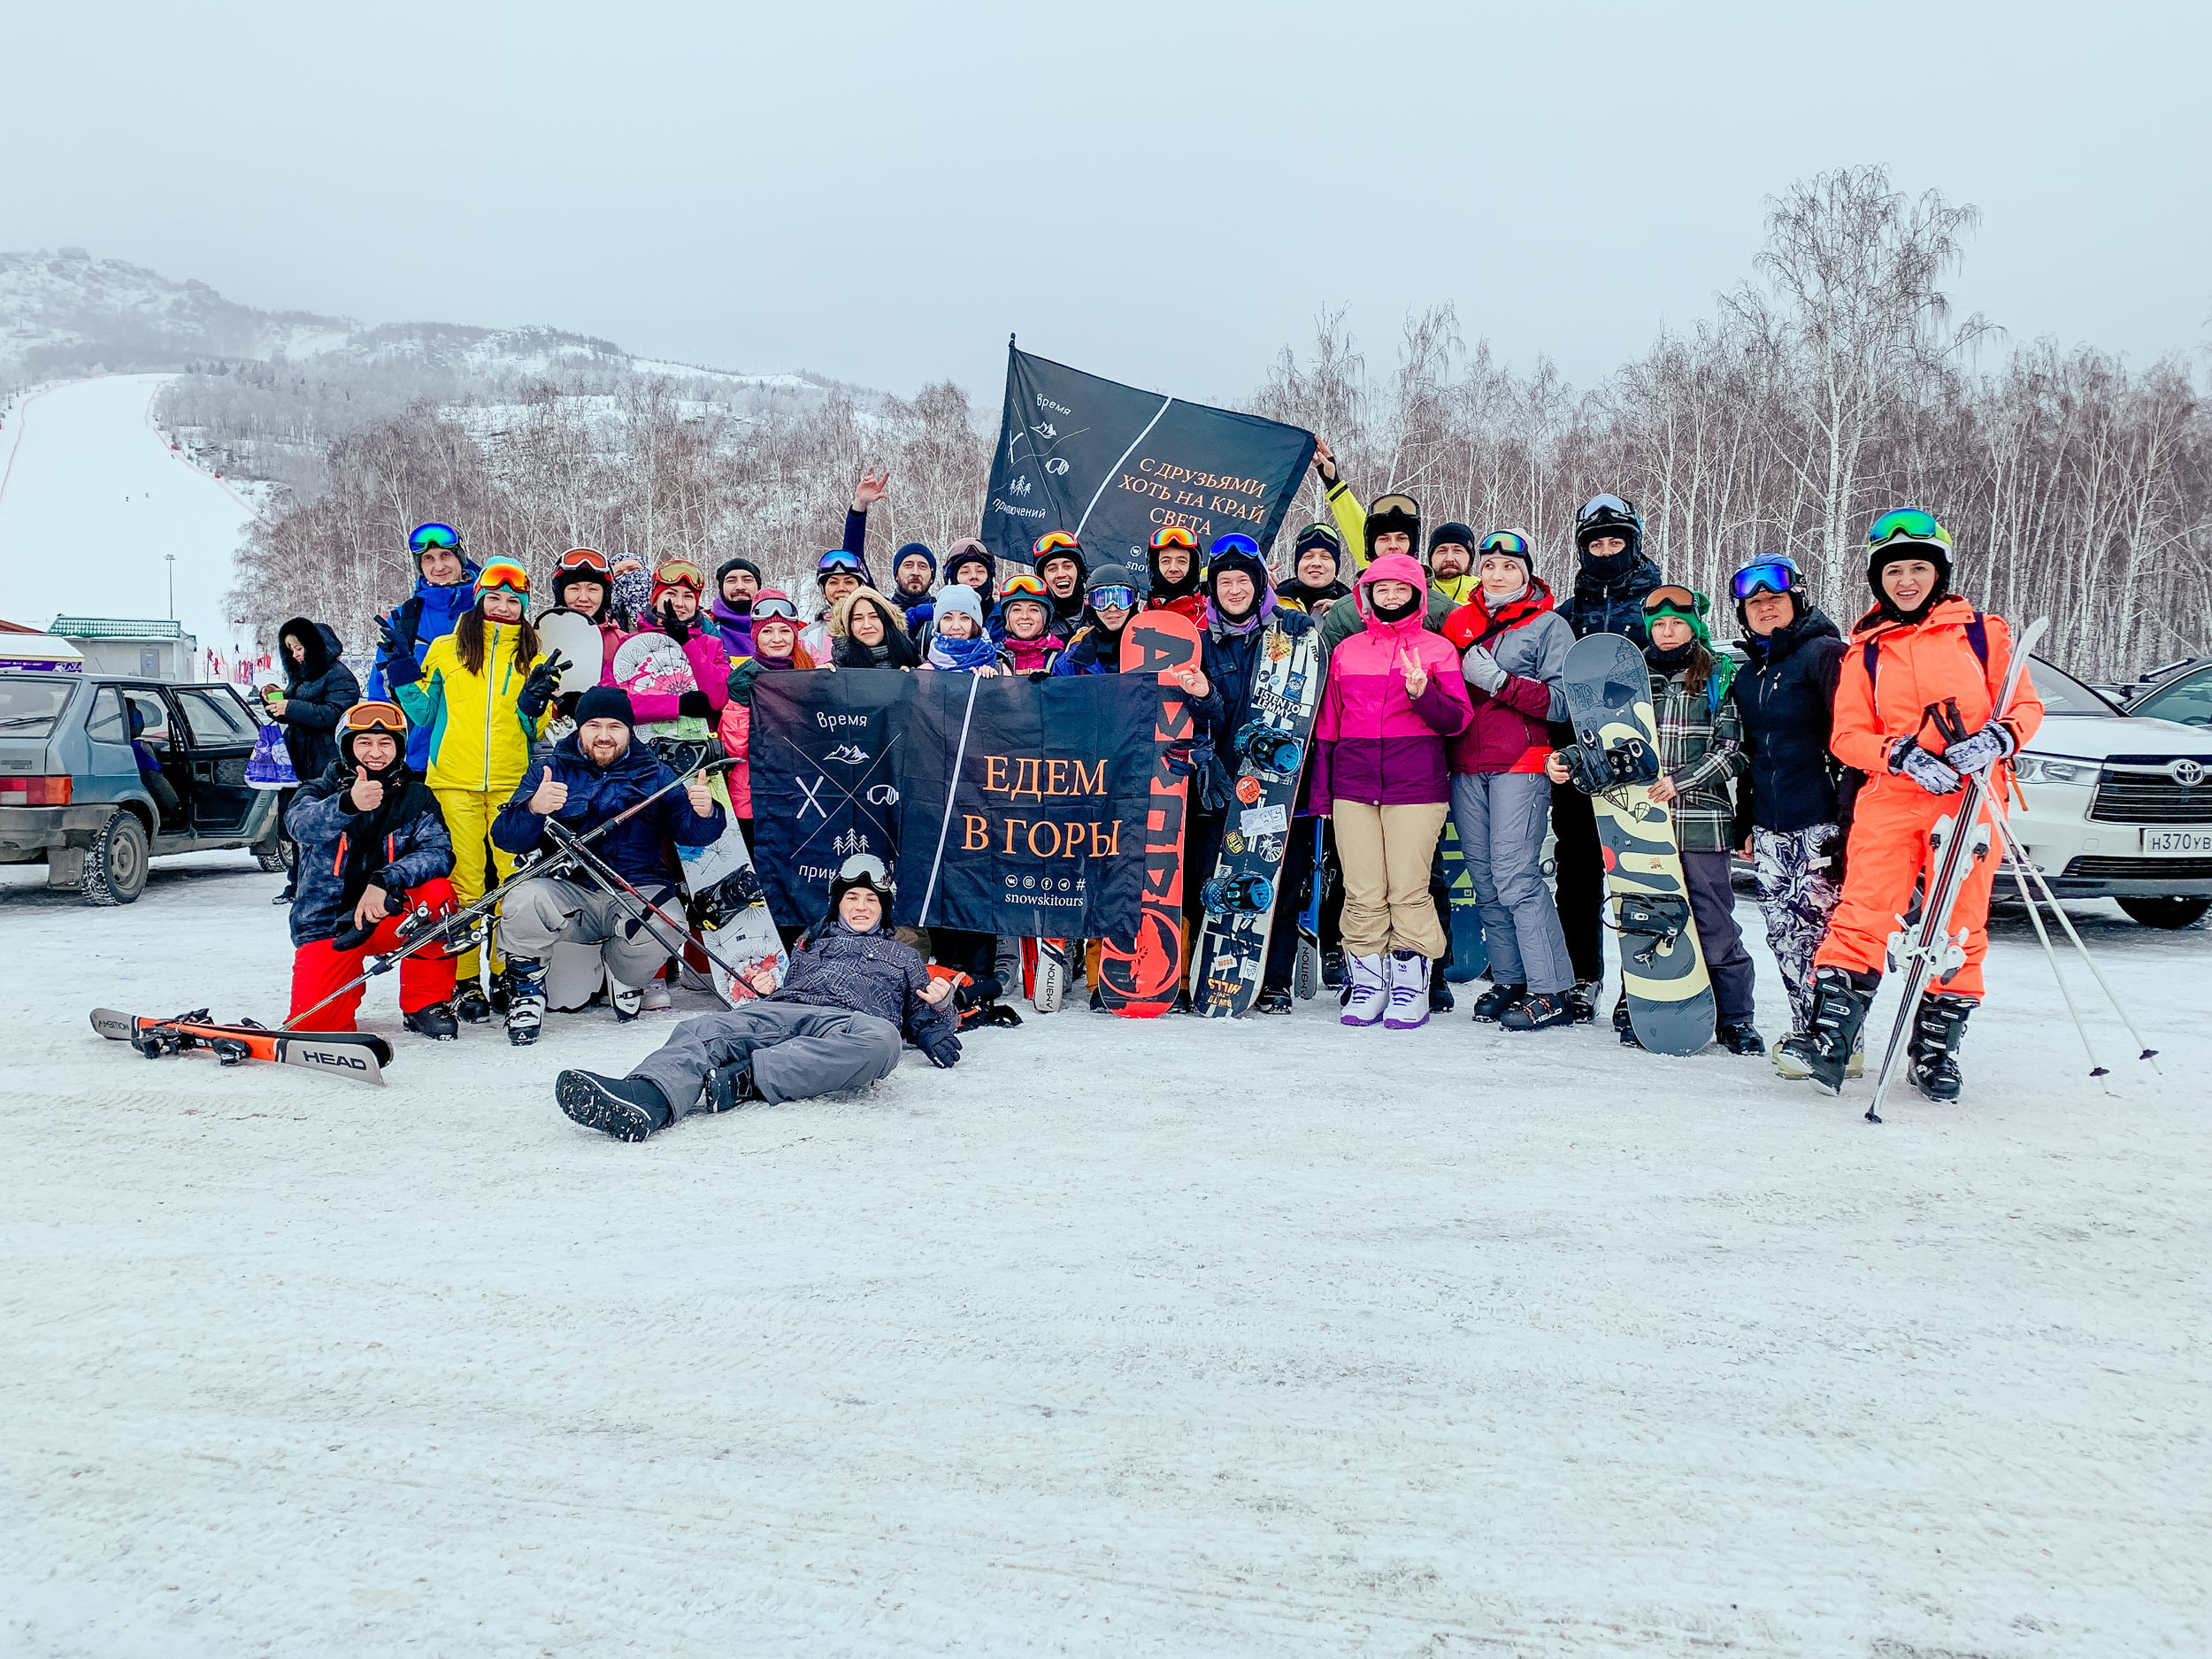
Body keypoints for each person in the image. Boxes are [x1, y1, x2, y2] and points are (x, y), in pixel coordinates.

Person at [1803, 510, 2044, 1101]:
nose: (1905, 580)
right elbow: (1846, 735)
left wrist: (1998, 737)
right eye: (1893, 570)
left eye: (1917, 568)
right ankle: (1832, 1036)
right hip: (1892, 794)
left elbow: (2027, 706)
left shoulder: (1983, 633)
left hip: (1968, 799)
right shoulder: (1864, 653)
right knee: (1863, 912)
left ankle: (1936, 1048)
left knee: (1959, 922)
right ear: (1876, 578)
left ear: (1938, 573)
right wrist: (1902, 754)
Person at [552, 854, 960, 1141]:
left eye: (871, 900)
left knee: (882, 1042)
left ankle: (746, 1078)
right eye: (852, 897)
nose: (861, 906)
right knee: (701, 1028)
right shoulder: (809, 942)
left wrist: (940, 1009)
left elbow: (923, 1019)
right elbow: (784, 990)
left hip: (850, 1024)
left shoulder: (904, 956)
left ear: (883, 909)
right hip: (785, 1009)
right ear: (837, 904)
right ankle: (648, 1097)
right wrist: (769, 988)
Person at [1545, 584, 1760, 1054]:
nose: (1666, 632)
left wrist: (1681, 780)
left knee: (1711, 916)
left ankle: (1736, 1014)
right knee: (1643, 913)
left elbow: (1735, 749)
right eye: (1658, 624)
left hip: (1699, 817)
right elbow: (1598, 742)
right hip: (1639, 822)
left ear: (1694, 626)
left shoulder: (1718, 675)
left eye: (1677, 623)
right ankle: (1639, 1000)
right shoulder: (1626, 677)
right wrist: (1562, 761)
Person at [489, 687, 727, 1041]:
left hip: (635, 889)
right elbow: (506, 838)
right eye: (594, 725)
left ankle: (624, 975)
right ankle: (526, 990)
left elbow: (692, 834)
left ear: (629, 730)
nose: (604, 736)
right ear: (578, 729)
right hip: (572, 895)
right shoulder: (549, 770)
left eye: (615, 726)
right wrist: (533, 809)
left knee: (669, 922)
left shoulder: (656, 773)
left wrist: (706, 812)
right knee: (523, 898)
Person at [384, 560, 560, 1022]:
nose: (502, 607)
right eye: (494, 598)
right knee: (464, 881)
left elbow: (533, 728)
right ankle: (463, 978)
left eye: (512, 601)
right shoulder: (446, 648)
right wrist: (401, 670)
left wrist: (534, 706)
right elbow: (422, 715)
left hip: (510, 782)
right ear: (480, 600)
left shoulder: (535, 657)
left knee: (512, 879)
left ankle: (507, 971)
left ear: (522, 608)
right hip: (453, 781)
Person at [1310, 554, 1472, 1029]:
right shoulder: (1347, 651)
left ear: (1418, 595)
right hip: (1354, 783)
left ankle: (1409, 987)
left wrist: (1423, 692)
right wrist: (1323, 793)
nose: (1391, 597)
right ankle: (1368, 983)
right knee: (1361, 890)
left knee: (1408, 889)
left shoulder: (1438, 649)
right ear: (1367, 596)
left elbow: (1458, 720)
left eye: (1400, 589)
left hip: (1415, 784)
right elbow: (1329, 726)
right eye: (1381, 589)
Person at [1440, 529, 1578, 1032]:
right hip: (1464, 764)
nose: (1498, 574)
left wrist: (1499, 681)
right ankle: (1511, 979)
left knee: (1517, 877)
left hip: (1521, 761)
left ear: (1526, 574)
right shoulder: (1459, 622)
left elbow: (1562, 702)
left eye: (1510, 567)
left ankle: (1551, 989)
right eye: (1491, 565)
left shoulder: (1548, 625)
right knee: (1484, 881)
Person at [1179, 534, 1316, 1014]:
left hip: (1276, 784)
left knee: (1274, 877)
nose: (1234, 589)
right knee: (1209, 878)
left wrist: (1304, 630)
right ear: (1212, 588)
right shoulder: (1198, 642)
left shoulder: (1289, 637)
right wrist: (1203, 755)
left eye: (1243, 580)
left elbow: (1306, 705)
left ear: (1260, 585)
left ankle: (1274, 978)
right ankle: (1203, 971)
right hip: (1218, 784)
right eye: (1224, 581)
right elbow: (1187, 716)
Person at [1726, 553, 1851, 1076]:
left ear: (1796, 600)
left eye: (1774, 599)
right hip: (1772, 824)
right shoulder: (1750, 674)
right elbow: (1755, 754)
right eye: (1754, 603)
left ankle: (1841, 1037)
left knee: (1826, 932)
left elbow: (1852, 745)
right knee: (1782, 931)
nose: (1765, 609)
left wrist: (1849, 826)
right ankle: (1808, 1032)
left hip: (1821, 820)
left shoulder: (1825, 656)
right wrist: (1746, 820)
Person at [1548, 494, 1665, 1020]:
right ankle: (1582, 974)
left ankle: (1641, 981)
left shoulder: (1660, 605)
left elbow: (1683, 665)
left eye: (1616, 541)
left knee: (1643, 866)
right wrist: (1560, 754)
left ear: (1633, 543)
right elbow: (1556, 689)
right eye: (1595, 544)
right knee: (1577, 868)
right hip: (1584, 756)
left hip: (1644, 756)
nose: (1605, 551)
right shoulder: (1567, 613)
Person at [283, 701, 458, 1039]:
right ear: (347, 746)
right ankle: (328, 1007)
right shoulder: (318, 790)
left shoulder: (417, 796)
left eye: (386, 743)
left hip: (391, 914)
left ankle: (425, 1003)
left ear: (400, 748)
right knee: (314, 1028)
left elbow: (439, 852)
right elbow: (300, 826)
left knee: (439, 895)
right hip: (330, 925)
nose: (375, 752)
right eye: (364, 742)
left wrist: (386, 879)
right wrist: (347, 804)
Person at [365, 522, 480, 771]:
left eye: (446, 555)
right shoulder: (405, 619)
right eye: (428, 559)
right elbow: (381, 690)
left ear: (461, 558)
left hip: (485, 757)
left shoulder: (491, 608)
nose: (438, 566)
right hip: (423, 759)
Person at [265, 615, 361, 902]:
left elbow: (333, 714)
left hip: (326, 763)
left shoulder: (339, 676)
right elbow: (300, 707)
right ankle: (296, 882)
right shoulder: (304, 676)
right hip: (299, 761)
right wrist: (274, 697)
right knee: (297, 819)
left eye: (299, 647)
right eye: (291, 650)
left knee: (326, 823)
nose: (296, 654)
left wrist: (290, 706)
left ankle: (327, 883)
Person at [721, 591, 816, 855]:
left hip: (800, 791)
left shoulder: (810, 674)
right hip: (754, 795)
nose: (776, 639)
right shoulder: (745, 677)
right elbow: (735, 749)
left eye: (784, 631)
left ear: (795, 635)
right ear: (755, 637)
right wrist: (739, 702)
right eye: (767, 632)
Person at [622, 561, 729, 728]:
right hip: (642, 745)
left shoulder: (712, 645)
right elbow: (616, 705)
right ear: (656, 600)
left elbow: (718, 700)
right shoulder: (629, 644)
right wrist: (675, 705)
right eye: (671, 594)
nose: (679, 603)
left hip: (700, 746)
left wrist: (687, 644)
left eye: (688, 596)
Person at [1049, 563, 1147, 675]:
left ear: (1135, 600)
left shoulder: (1153, 649)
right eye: (1101, 601)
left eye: (1121, 599)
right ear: (1089, 603)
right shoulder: (1073, 659)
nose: (1112, 608)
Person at [548, 548, 626, 687]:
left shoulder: (623, 644)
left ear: (605, 595)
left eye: (593, 589)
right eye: (574, 589)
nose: (583, 598)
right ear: (561, 593)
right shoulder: (542, 639)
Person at [799, 549, 869, 663]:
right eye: (833, 583)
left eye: (849, 582)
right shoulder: (806, 637)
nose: (841, 588)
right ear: (823, 590)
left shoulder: (877, 627)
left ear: (862, 586)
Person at [921, 585, 1010, 674]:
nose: (956, 626)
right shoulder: (925, 671)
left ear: (975, 623)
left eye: (964, 618)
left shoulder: (999, 669)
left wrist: (994, 683)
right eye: (948, 618)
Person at [828, 585, 919, 671]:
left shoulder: (911, 657)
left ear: (886, 621)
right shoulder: (839, 665)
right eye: (858, 618)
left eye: (874, 617)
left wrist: (913, 680)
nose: (867, 625)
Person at [995, 572, 1065, 679]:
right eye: (1016, 610)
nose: (1024, 616)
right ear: (1007, 617)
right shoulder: (993, 656)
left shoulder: (1062, 660)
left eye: (1033, 610)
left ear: (1046, 618)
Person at [1279, 522, 1351, 619]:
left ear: (1336, 568)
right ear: (1297, 565)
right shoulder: (1272, 602)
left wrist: (1348, 616)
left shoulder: (1354, 608)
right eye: (1308, 556)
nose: (1316, 563)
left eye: (1325, 557)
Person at [1146, 526, 1208, 626]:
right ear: (1155, 567)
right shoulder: (1139, 616)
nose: (1173, 568)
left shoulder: (1211, 617)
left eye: (1182, 561)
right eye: (1165, 561)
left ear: (1194, 567)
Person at [1033, 531, 1090, 636]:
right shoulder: (1035, 619)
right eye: (1052, 569)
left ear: (1079, 571)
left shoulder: (1099, 611)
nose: (1060, 574)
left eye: (1067, 566)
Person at [710, 557, 764, 660]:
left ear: (758, 586)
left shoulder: (785, 629)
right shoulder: (704, 627)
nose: (740, 587)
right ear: (721, 588)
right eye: (731, 581)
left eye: (747, 580)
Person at [887, 543, 937, 639]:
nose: (915, 573)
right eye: (908, 565)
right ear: (896, 575)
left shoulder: (943, 613)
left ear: (932, 577)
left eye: (922, 566)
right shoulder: (882, 613)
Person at [1425, 523, 1479, 605]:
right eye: (1442, 551)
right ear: (1431, 557)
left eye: (1457, 551)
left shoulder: (1482, 590)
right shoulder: (1414, 589)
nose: (1449, 558)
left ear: (1470, 558)